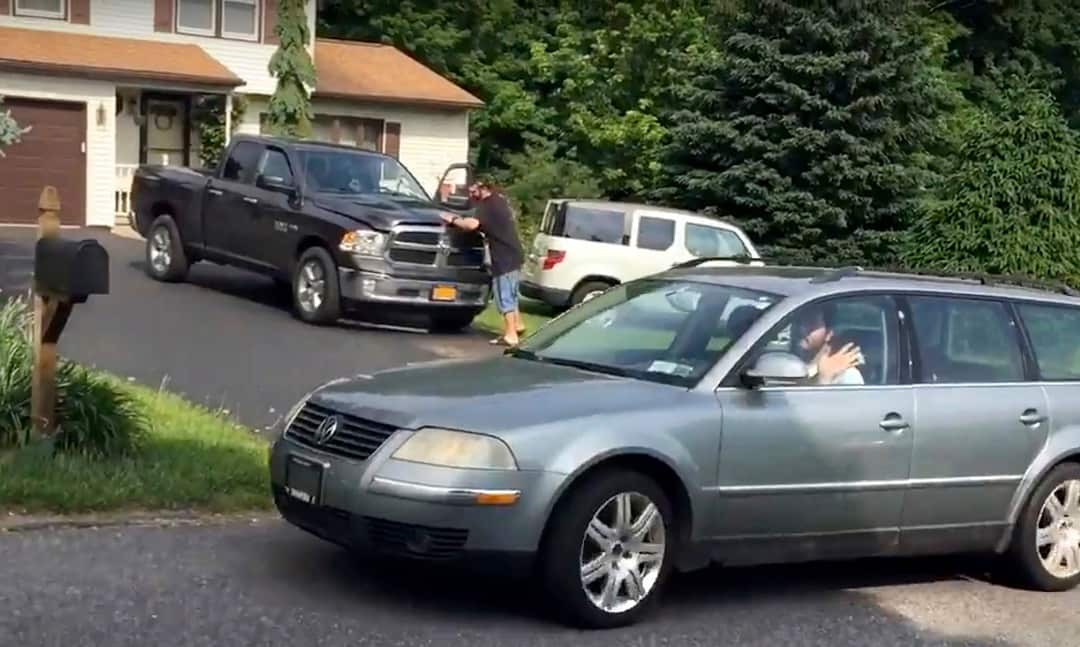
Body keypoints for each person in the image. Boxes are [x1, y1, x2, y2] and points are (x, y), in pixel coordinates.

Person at [441, 180, 525, 346]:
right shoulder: (499, 200)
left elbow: (472, 225)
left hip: (504, 257)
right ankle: (518, 325)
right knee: (512, 292)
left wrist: (453, 219)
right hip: (514, 254)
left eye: (473, 190)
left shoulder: (488, 205)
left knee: (504, 294)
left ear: (483, 187)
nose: (471, 194)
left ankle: (511, 335)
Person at [793, 304, 865, 385]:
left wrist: (824, 378)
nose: (801, 328)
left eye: (811, 323)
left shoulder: (848, 375)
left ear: (829, 333)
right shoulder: (793, 365)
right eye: (799, 322)